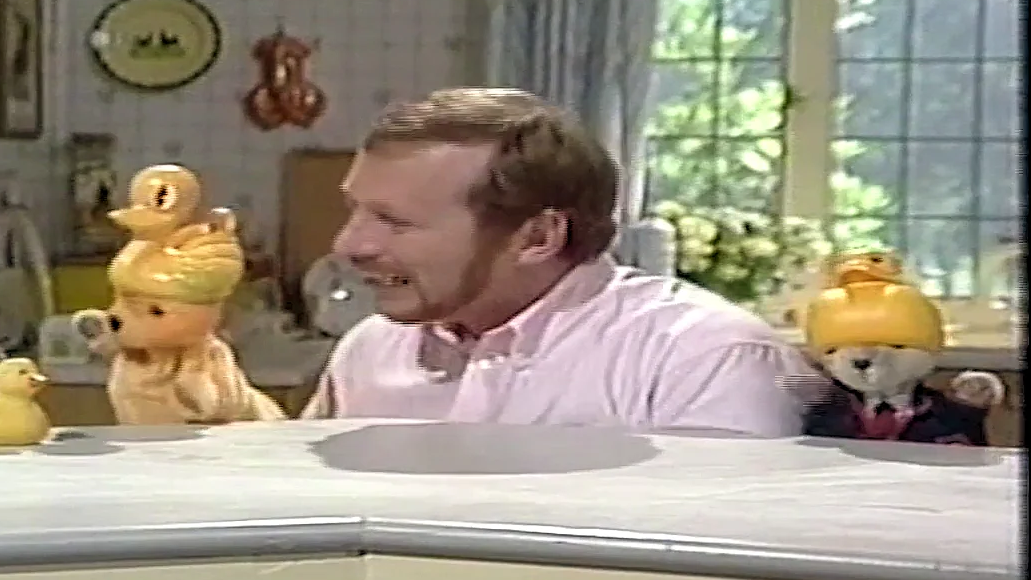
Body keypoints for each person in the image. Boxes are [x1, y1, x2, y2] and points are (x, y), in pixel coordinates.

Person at [300, 88, 820, 436]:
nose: (349, 245)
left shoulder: (700, 359)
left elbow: (715, 556)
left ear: (538, 236)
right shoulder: (371, 349)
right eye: (355, 211)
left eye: (395, 221)